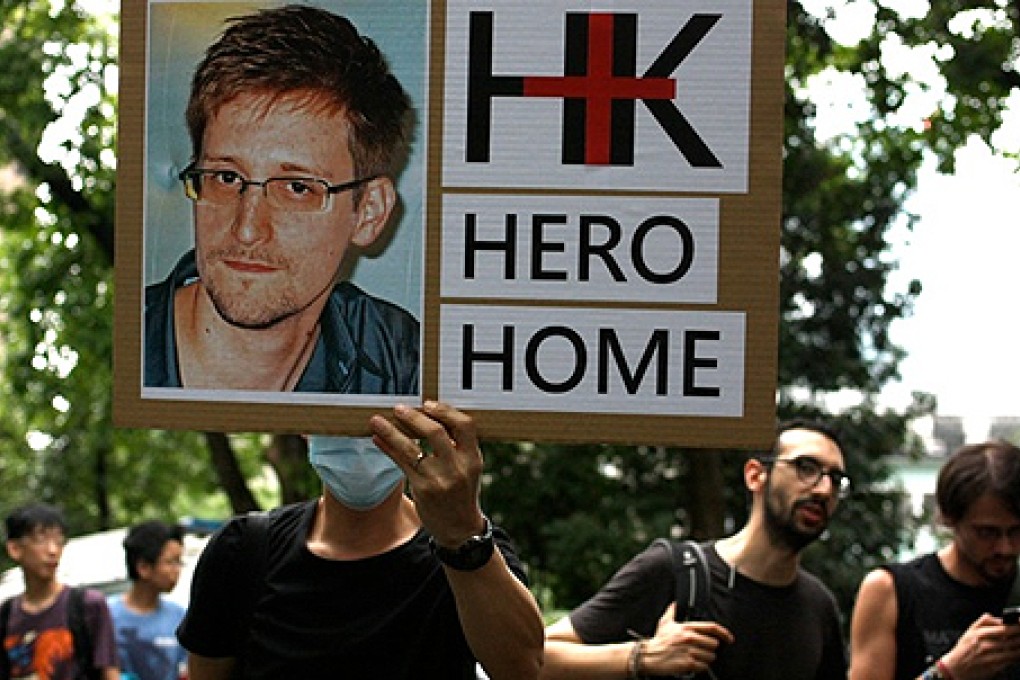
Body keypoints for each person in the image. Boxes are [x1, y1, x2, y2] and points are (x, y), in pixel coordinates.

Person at [144, 4, 419, 394]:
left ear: (368, 213)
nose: (248, 228)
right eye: (225, 177)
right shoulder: (120, 347)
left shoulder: (400, 362)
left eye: (297, 188)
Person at [176, 401, 544, 679]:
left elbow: (522, 667)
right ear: (303, 423)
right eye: (344, 407)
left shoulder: (469, 551)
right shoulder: (243, 550)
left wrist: (463, 535)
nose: (367, 431)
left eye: (387, 415)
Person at [540, 420, 851, 679]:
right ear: (756, 475)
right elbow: (530, 659)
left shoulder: (819, 606)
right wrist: (641, 657)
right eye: (805, 467)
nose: (823, 489)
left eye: (835, 479)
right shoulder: (674, 571)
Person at [850, 439, 1020, 680]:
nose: (1005, 548)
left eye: (1015, 531)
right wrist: (949, 673)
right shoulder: (892, 591)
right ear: (950, 519)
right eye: (987, 533)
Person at [1, 503, 119, 679]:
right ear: (15, 549)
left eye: (58, 541)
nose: (53, 550)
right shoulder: (6, 615)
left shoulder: (88, 605)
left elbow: (109, 673)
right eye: (41, 540)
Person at [107, 521, 187, 680]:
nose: (177, 571)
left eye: (180, 562)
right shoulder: (106, 614)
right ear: (143, 567)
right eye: (171, 562)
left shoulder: (179, 617)